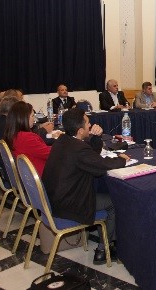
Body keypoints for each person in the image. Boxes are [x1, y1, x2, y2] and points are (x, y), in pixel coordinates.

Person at [42, 108, 129, 265]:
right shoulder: (78, 149)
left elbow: (90, 156)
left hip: (55, 198)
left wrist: (96, 137)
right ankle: (104, 249)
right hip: (69, 204)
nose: (90, 125)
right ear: (80, 130)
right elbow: (101, 166)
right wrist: (122, 159)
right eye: (88, 123)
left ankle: (107, 242)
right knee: (114, 202)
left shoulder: (62, 140)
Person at [4, 101, 52, 176]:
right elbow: (50, 154)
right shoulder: (27, 138)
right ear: (24, 118)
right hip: (43, 175)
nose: (34, 119)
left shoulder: (13, 134)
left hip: (28, 175)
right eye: (32, 116)